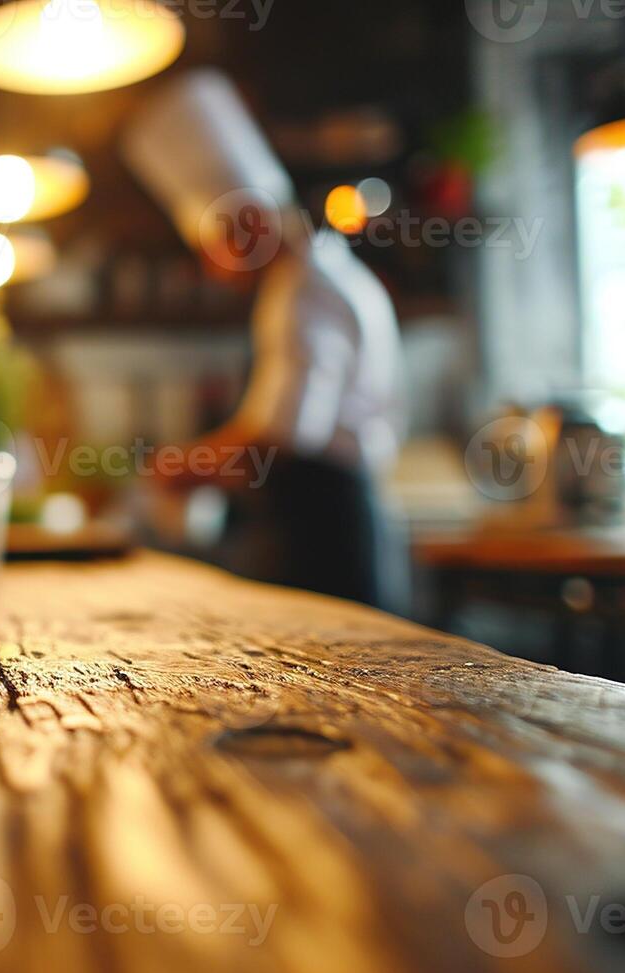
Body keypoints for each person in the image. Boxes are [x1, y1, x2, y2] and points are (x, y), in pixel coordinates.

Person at [122, 69, 406, 610]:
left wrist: (180, 467)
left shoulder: (306, 289)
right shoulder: (311, 276)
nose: (210, 269)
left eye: (210, 247)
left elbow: (282, 436)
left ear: (247, 224)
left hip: (327, 532)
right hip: (318, 521)